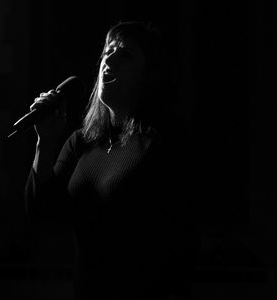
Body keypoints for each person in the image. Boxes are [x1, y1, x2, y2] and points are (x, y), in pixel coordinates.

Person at [25, 21, 200, 299]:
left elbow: (182, 242)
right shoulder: (81, 141)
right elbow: (43, 212)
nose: (109, 57)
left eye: (126, 54)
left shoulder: (165, 142)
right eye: (108, 50)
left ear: (148, 75)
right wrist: (44, 143)